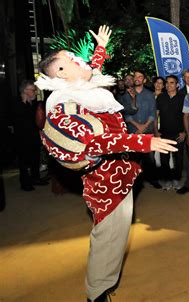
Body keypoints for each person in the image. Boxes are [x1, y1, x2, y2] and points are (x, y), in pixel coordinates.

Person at [35, 25, 177, 302]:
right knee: (108, 239)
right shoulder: (63, 106)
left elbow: (90, 73)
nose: (80, 59)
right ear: (60, 74)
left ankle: (101, 284)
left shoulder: (82, 89)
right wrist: (143, 142)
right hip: (105, 185)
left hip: (120, 175)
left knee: (116, 236)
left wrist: (101, 48)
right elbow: (92, 143)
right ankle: (96, 294)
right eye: (71, 59)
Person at [13, 80, 48, 191]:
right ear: (25, 91)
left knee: (35, 158)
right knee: (25, 161)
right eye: (33, 90)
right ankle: (25, 183)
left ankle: (35, 178)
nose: (36, 92)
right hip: (22, 138)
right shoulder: (17, 104)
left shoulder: (31, 103)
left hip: (33, 136)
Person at [156, 75, 186, 190]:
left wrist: (184, 132)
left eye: (172, 82)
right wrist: (156, 132)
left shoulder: (183, 97)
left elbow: (186, 117)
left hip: (178, 134)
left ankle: (176, 180)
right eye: (167, 82)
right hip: (163, 134)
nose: (169, 85)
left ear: (177, 85)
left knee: (178, 159)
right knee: (164, 159)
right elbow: (156, 115)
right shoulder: (160, 97)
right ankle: (167, 180)